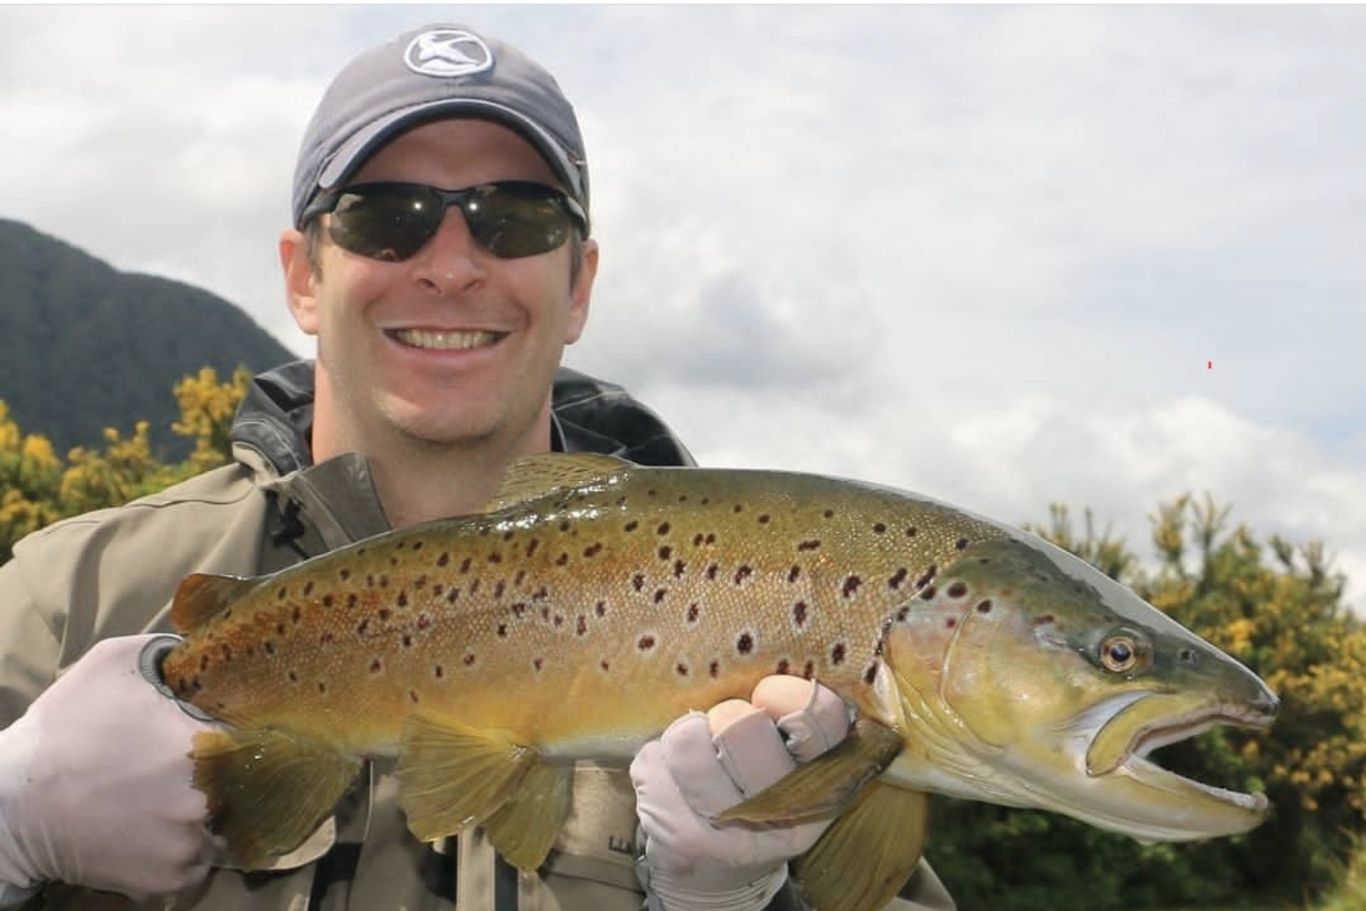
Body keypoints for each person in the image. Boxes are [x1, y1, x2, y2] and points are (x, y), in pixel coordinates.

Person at [0, 23, 955, 911]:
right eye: (386, 216)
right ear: (303, 274)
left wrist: (738, 898)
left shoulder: (761, 616)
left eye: (516, 217)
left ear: (578, 283)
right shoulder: (68, 601)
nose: (452, 264)